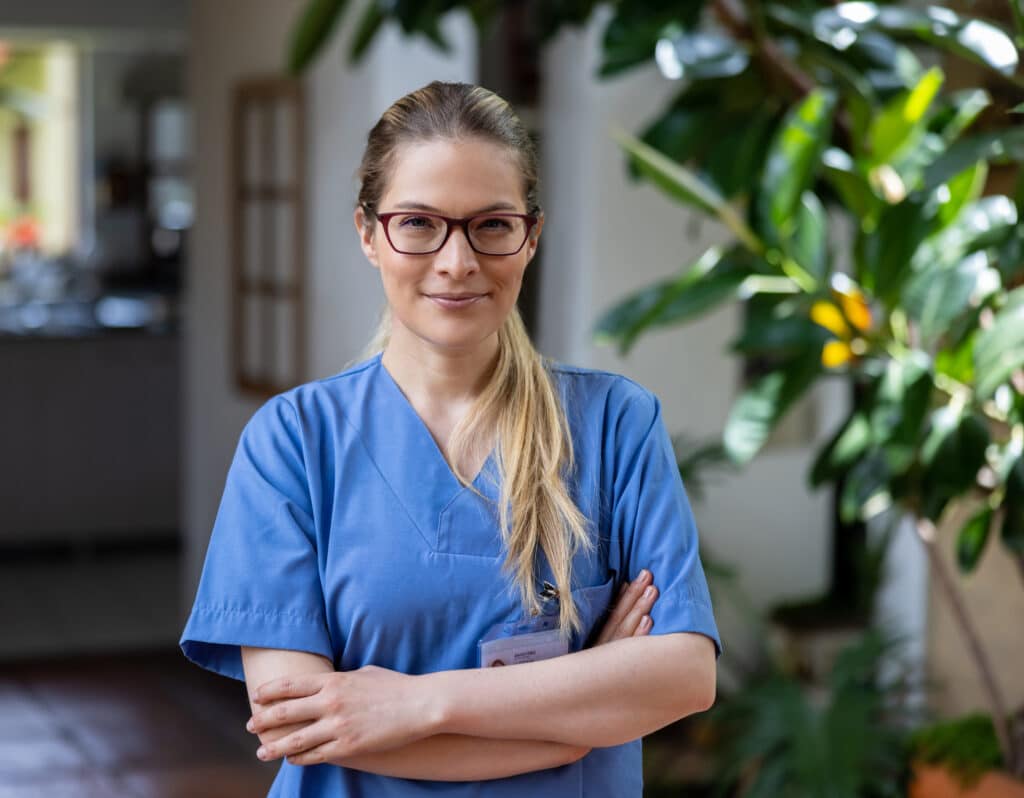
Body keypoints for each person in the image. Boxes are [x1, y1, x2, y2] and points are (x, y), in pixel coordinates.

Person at [180, 80, 721, 797]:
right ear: (369, 233)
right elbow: (297, 726)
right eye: (418, 223)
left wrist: (412, 705)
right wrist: (585, 712)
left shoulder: (616, 425)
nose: (457, 261)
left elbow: (683, 675)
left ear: (531, 236)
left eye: (492, 225)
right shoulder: (293, 444)